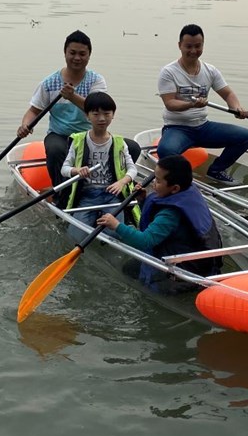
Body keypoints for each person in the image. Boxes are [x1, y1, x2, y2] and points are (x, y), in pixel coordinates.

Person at [16, 30, 141, 200]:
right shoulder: (49, 83)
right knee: (54, 149)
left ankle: (112, 185)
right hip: (61, 135)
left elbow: (97, 108)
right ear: (65, 53)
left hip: (90, 135)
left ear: (89, 55)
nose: (77, 58)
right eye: (72, 53)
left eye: (82, 54)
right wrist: (25, 125)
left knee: (132, 147)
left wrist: (72, 96)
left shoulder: (96, 80)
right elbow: (33, 111)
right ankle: (62, 195)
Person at [97, 154, 223, 292]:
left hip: (182, 269)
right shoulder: (188, 191)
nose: (153, 183)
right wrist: (143, 200)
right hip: (183, 251)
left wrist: (116, 225)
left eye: (158, 181)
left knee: (148, 286)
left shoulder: (171, 215)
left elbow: (144, 241)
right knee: (128, 269)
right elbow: (158, 221)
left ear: (175, 188)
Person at [156, 23, 248, 184]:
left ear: (203, 45)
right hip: (177, 127)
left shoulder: (210, 70)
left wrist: (236, 107)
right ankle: (184, 181)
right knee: (166, 150)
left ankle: (216, 170)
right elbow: (170, 103)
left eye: (198, 46)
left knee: (246, 137)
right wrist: (191, 104)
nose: (193, 51)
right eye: (188, 46)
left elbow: (228, 93)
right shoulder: (169, 72)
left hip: (203, 126)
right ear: (180, 45)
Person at [60, 92, 139, 239]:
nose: (102, 118)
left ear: (113, 115)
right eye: (96, 114)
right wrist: (77, 170)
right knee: (74, 237)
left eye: (106, 114)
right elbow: (64, 169)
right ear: (87, 116)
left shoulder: (119, 142)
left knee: (114, 235)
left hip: (112, 195)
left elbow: (132, 169)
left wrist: (122, 182)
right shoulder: (78, 140)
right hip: (87, 196)